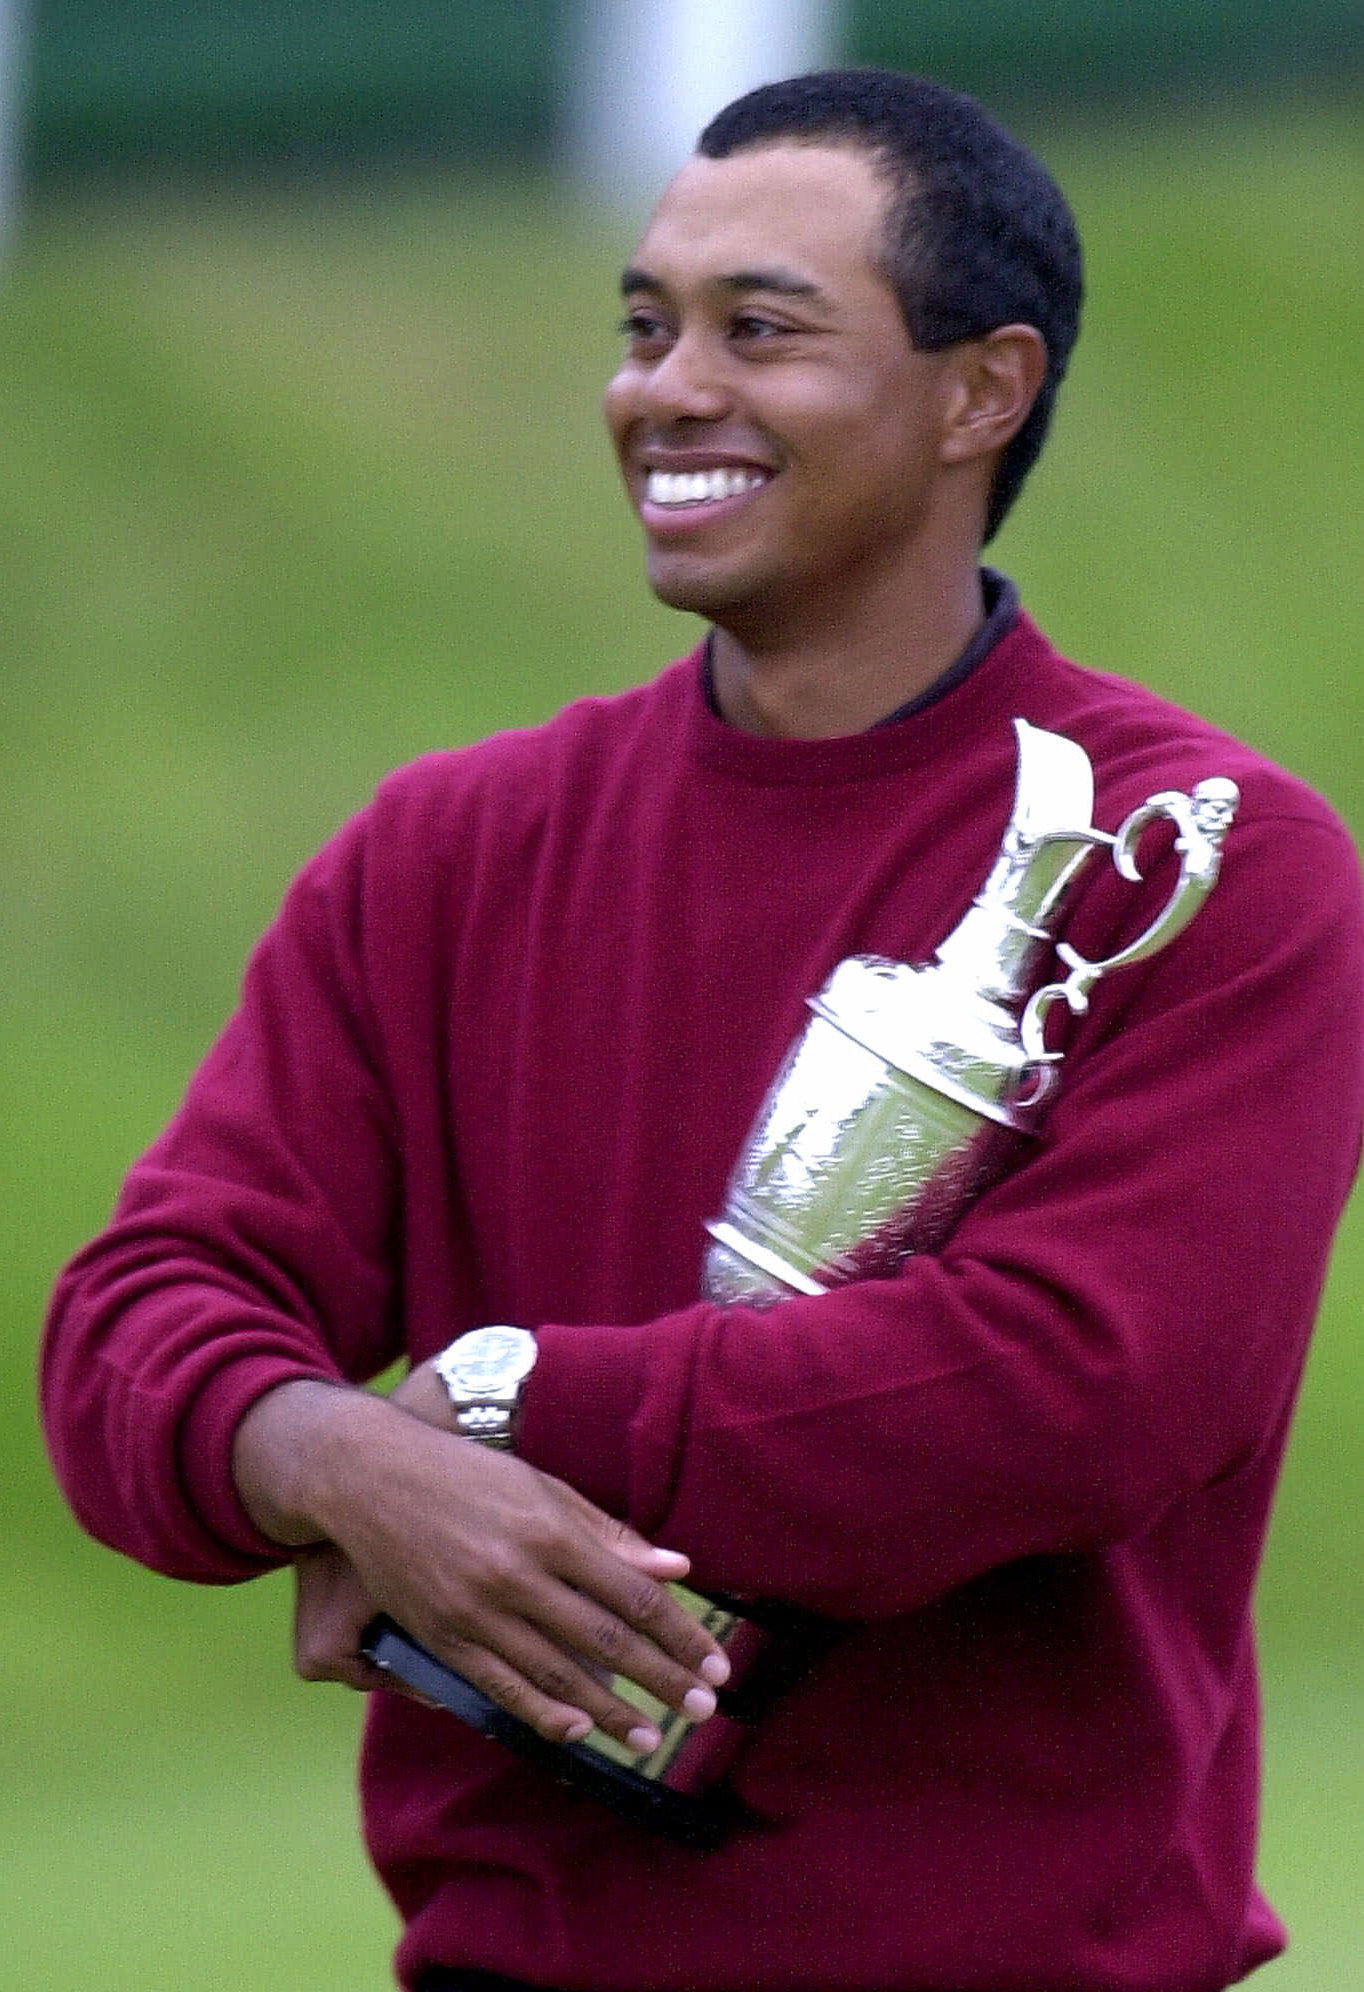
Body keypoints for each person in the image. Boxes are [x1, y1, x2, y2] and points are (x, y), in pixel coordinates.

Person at [41, 68, 1364, 1992]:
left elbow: (1079, 1390)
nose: (667, 388)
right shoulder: (447, 851)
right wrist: (325, 1461)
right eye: (646, 326)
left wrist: (491, 1411)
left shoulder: (1199, 858)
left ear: (982, 392)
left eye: (762, 329)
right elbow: (133, 1320)